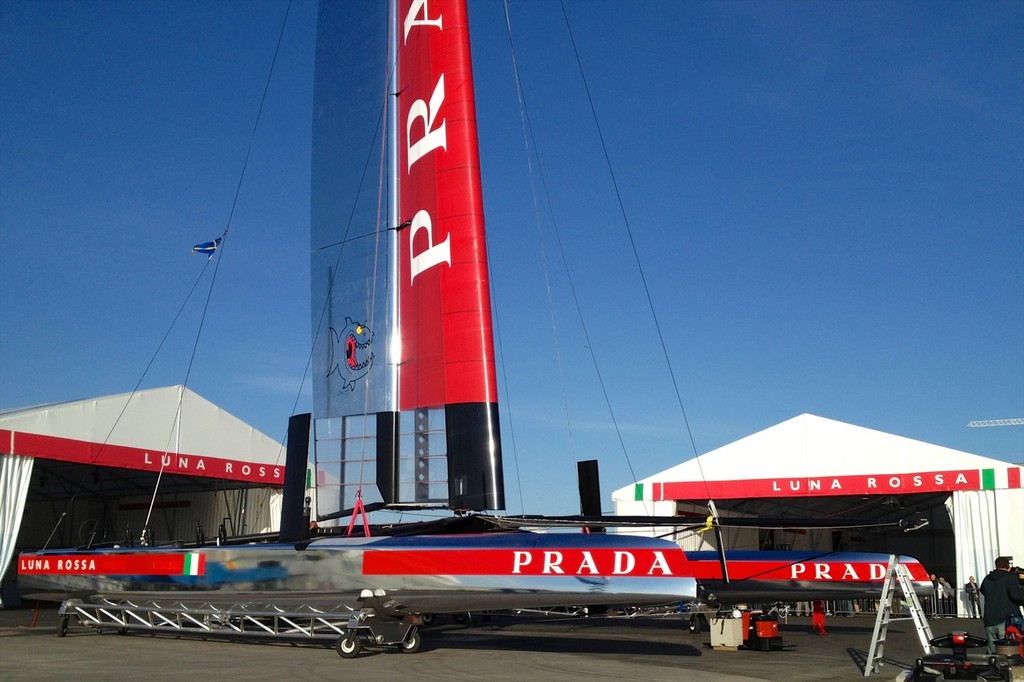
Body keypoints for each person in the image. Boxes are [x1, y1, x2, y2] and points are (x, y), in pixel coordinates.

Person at [979, 556, 1024, 654]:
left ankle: (993, 667)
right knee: (1008, 651)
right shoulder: (1010, 577)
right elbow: (1017, 596)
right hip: (1006, 618)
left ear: (996, 566)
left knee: (992, 651)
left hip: (989, 618)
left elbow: (982, 590)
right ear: (1008, 566)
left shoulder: (987, 578)